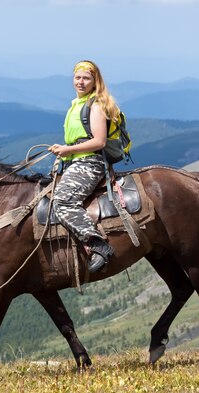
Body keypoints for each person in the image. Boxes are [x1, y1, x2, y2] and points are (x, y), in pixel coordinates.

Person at [48, 60, 119, 273]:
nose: (81, 82)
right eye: (77, 77)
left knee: (62, 201)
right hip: (76, 160)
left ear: (94, 81)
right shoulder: (76, 105)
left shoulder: (95, 105)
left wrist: (68, 150)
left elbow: (99, 142)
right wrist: (64, 151)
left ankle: (98, 245)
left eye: (86, 78)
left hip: (90, 162)